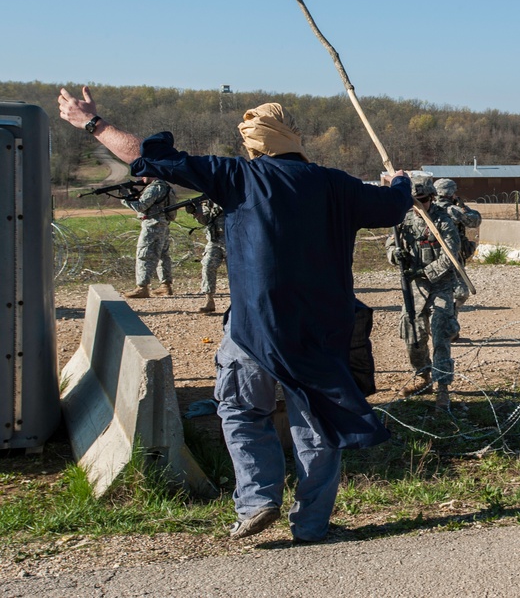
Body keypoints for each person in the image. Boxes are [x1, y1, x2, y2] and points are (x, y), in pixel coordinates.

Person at [58, 86, 413, 543]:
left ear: (253, 144)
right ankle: (311, 524)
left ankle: (258, 500)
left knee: (242, 410)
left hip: (255, 329)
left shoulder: (237, 176)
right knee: (316, 422)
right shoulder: (336, 185)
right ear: (294, 139)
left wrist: (93, 123)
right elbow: (394, 207)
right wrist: (399, 181)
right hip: (322, 332)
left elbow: (147, 159)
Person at [386, 177, 461, 409]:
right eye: (415, 201)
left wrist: (425, 271)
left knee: (440, 335)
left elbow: (450, 255)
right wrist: (394, 255)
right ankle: (423, 377)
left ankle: (442, 387)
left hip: (440, 285)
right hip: (415, 286)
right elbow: (390, 246)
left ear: (432, 198)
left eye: (425, 200)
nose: (420, 205)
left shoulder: (443, 220)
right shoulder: (403, 221)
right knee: (413, 334)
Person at [433, 177, 481, 335]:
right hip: (451, 258)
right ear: (451, 193)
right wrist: (462, 206)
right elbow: (474, 221)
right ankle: (448, 325)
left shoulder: (428, 208)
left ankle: (440, 324)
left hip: (431, 257)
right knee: (460, 292)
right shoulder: (452, 210)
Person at [121, 176, 177, 298]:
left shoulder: (154, 188)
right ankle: (165, 285)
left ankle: (142, 287)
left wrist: (125, 197)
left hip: (152, 225)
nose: (142, 177)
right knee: (163, 255)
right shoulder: (167, 187)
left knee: (144, 254)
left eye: (144, 174)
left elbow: (141, 207)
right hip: (163, 224)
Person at [186, 198, 226, 312]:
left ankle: (238, 303)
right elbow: (205, 220)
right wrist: (196, 211)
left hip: (231, 239)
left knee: (235, 272)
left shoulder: (228, 196)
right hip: (214, 240)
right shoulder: (209, 202)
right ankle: (209, 301)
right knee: (208, 265)